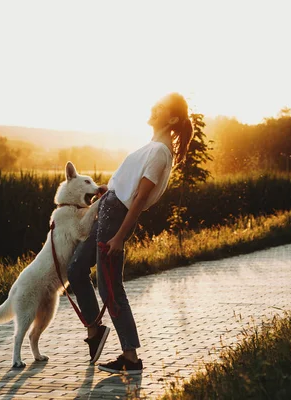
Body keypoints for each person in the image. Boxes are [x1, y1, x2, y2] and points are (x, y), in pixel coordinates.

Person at [66, 92, 193, 375]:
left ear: (172, 118)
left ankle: (131, 359)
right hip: (108, 207)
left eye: (161, 107)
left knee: (110, 287)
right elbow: (126, 188)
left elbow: (138, 200)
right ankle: (95, 330)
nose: (154, 107)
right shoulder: (151, 147)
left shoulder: (160, 152)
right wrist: (106, 191)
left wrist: (120, 237)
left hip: (116, 219)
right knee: (75, 270)